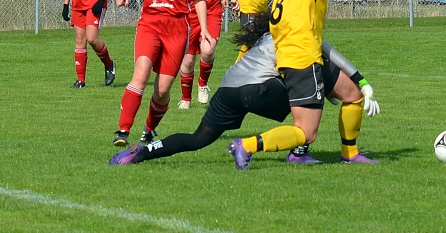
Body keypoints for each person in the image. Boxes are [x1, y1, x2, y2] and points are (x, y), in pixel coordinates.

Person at [109, 13, 381, 166]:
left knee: (198, 138)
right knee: (309, 93)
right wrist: (360, 81)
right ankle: (296, 153)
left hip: (228, 89)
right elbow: (328, 53)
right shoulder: (295, 36)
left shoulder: (266, 37)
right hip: (256, 89)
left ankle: (143, 152)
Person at [229, 0, 348, 170]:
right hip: (303, 59)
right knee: (307, 132)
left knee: (344, 98)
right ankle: (247, 145)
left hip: (289, 57)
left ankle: (310, 155)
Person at [113, 0, 214, 147]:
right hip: (150, 23)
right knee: (141, 74)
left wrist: (205, 30)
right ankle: (123, 130)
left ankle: (149, 130)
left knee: (162, 90)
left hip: (177, 28)